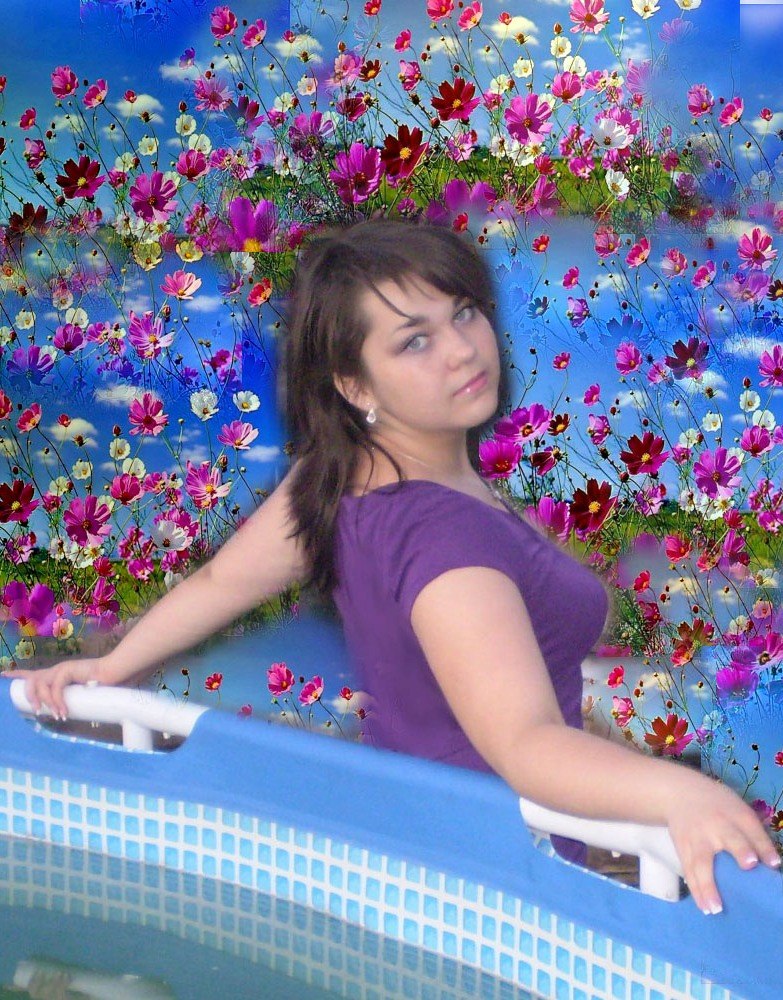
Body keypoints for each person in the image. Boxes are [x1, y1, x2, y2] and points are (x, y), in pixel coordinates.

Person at [7, 218, 779, 916]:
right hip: (496, 881)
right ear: (353, 384)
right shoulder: (443, 542)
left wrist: (111, 667)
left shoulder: (341, 477)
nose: (462, 350)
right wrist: (679, 791)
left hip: (407, 850)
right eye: (413, 342)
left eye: (463, 313)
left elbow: (221, 584)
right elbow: (524, 745)